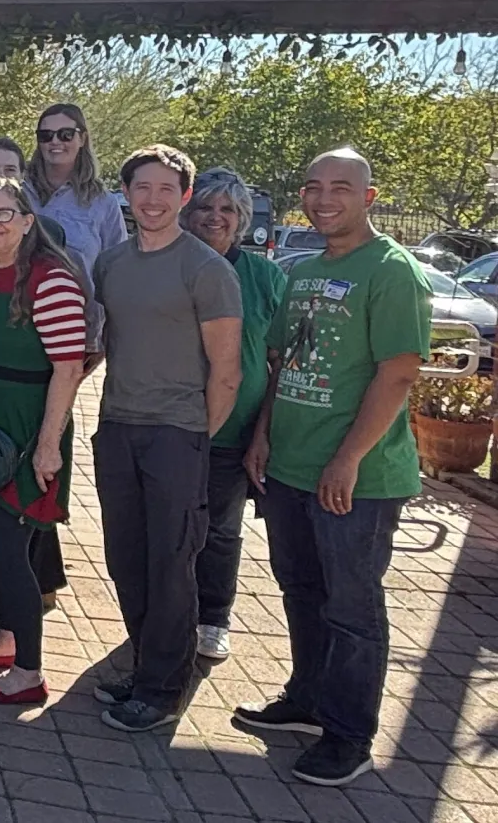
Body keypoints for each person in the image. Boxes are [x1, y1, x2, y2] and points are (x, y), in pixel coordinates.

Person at [235, 148, 428, 788]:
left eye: (340, 188)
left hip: (357, 478)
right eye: (313, 187)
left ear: (368, 198)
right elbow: (286, 362)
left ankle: (349, 735)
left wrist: (348, 457)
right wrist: (263, 433)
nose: (324, 199)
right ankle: (308, 701)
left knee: (352, 606)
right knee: (302, 589)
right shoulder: (304, 268)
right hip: (290, 465)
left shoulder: (393, 271)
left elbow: (398, 372)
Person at [88, 145, 243, 733]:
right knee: (126, 557)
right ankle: (143, 668)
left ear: (184, 196)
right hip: (117, 426)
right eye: (141, 188)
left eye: (165, 189)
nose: (152, 199)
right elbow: (103, 343)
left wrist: (197, 436)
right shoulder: (112, 264)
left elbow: (227, 370)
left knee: (170, 562)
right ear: (125, 194)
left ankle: (162, 690)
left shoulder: (206, 269)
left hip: (177, 434)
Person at [0, 177, 86, 705]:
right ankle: (8, 640)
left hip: (27, 433)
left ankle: (29, 671)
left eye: (4, 213)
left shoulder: (51, 281)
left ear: (28, 221)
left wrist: (49, 445)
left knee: (9, 549)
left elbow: (68, 369)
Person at [182, 167, 287, 664]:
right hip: (170, 423)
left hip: (232, 429)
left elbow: (279, 361)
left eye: (227, 210)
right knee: (170, 526)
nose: (215, 217)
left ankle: (212, 618)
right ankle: (168, 616)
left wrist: (262, 433)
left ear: (241, 220)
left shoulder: (264, 277)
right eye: (205, 207)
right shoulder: (171, 265)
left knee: (220, 531)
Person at [26, 102, 127, 287]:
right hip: (18, 309)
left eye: (66, 134)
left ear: (82, 138)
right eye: (46, 135)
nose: (55, 141)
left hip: (81, 311)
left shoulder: (103, 202)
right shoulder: (18, 194)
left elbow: (118, 269)